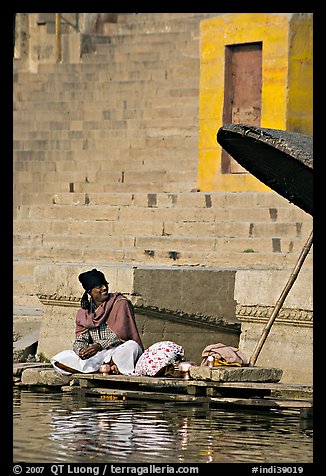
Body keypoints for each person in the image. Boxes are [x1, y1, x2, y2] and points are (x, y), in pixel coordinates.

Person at [51, 269, 144, 376]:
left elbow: (121, 334)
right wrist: (81, 351)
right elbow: (81, 339)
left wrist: (98, 345)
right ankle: (103, 368)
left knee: (132, 346)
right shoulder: (84, 313)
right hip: (98, 356)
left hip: (119, 350)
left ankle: (111, 366)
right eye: (99, 286)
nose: (104, 288)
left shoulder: (120, 303)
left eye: (105, 285)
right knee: (59, 359)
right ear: (90, 291)